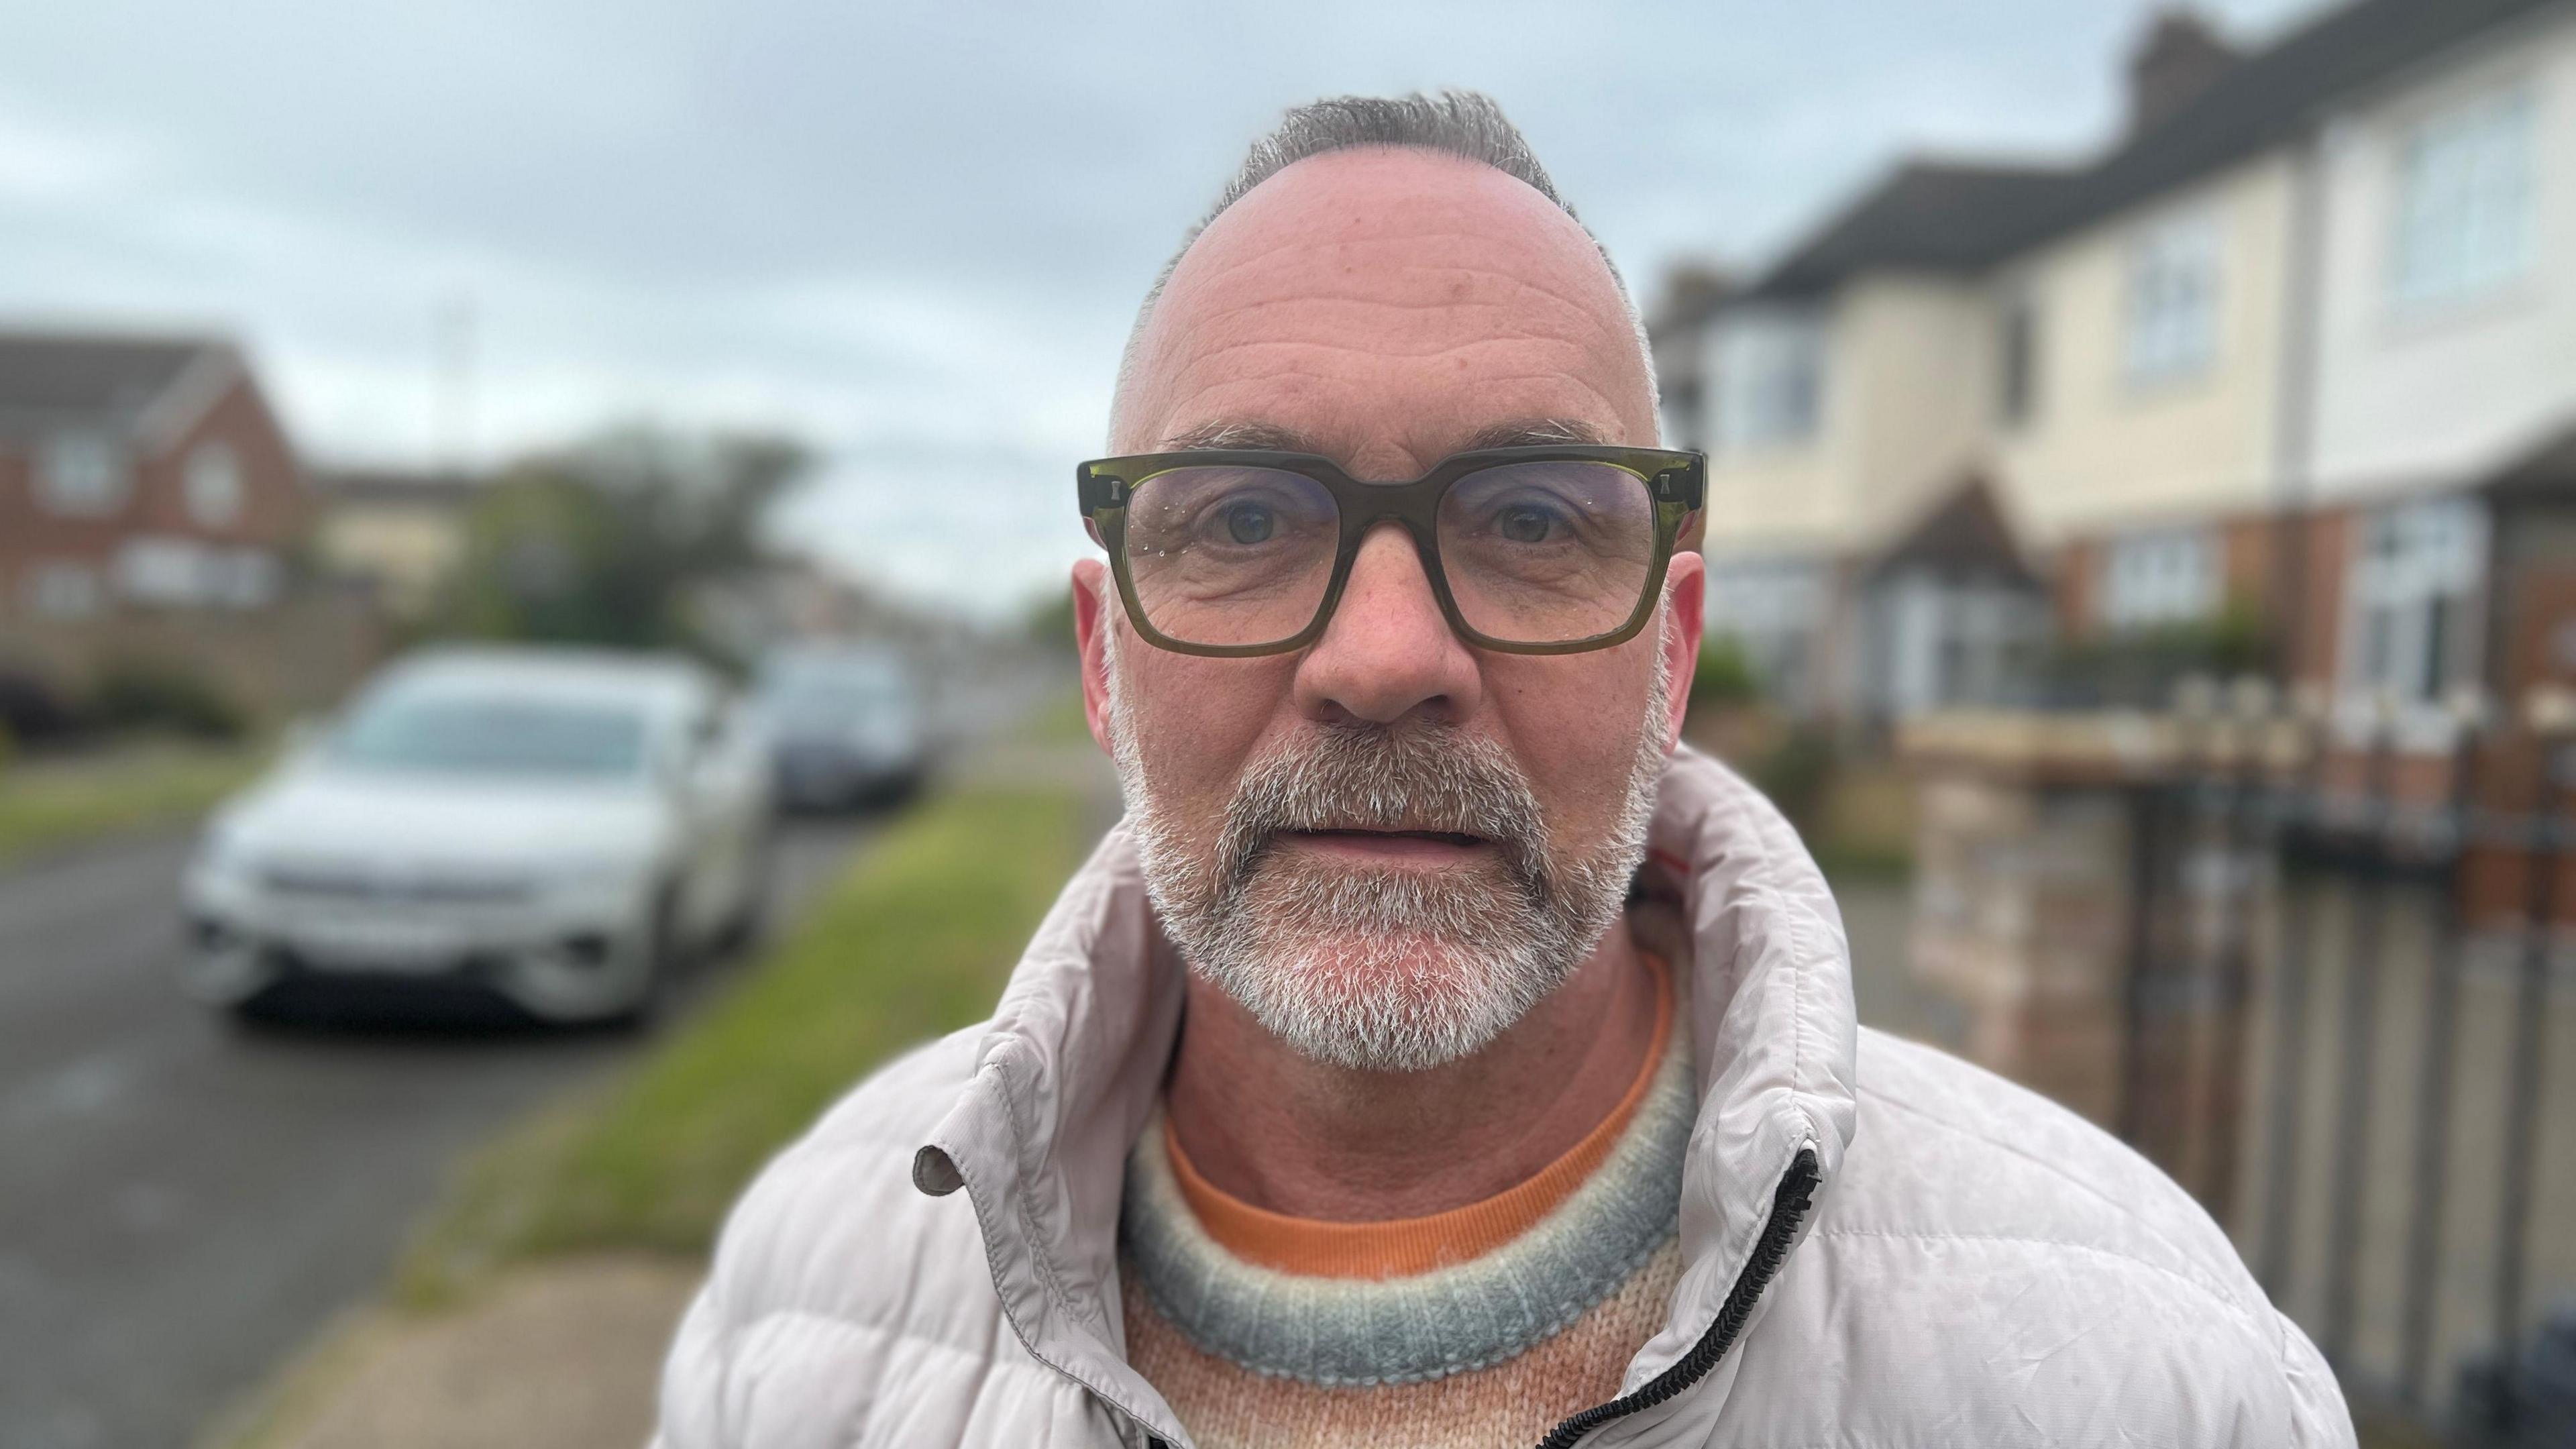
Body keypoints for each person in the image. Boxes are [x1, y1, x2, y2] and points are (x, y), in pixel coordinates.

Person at [654, 91, 2353, 1448]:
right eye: (1244, 523)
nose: (1386, 661)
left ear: (1672, 649)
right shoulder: (808, 1304)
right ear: (1105, 658)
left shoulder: (2148, 1374)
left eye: (1535, 521)